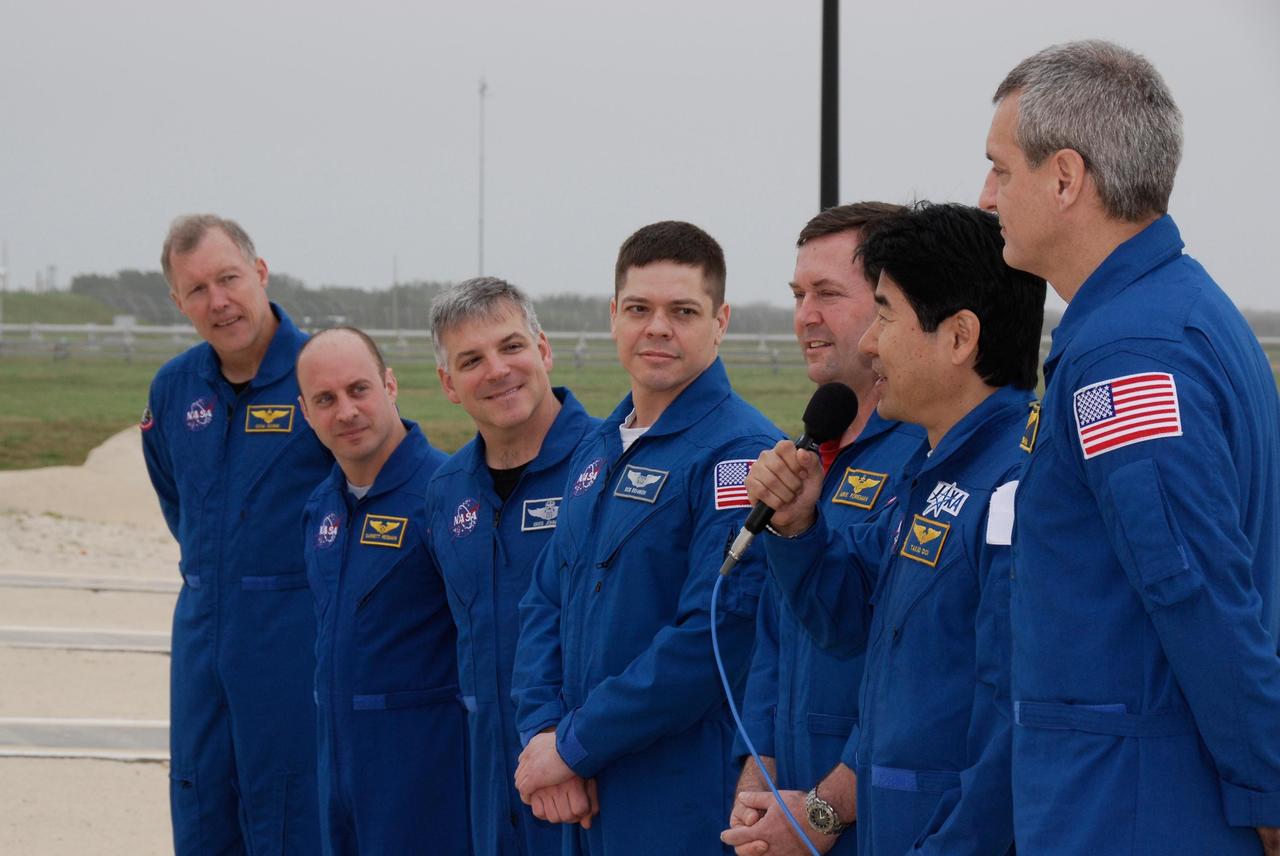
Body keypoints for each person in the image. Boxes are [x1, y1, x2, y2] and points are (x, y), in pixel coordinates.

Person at [979, 40, 1280, 855]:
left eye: (1001, 170)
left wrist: (1269, 784)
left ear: (1066, 178)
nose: (986, 196)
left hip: (1138, 805)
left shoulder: (1129, 353)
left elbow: (1196, 590)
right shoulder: (1172, 311)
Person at [745, 203, 1045, 855]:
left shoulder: (1016, 487)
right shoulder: (937, 470)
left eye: (886, 315)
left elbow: (1013, 736)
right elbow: (851, 619)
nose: (872, 342)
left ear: (960, 338)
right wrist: (797, 532)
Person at [511, 220, 784, 854]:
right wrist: (544, 735)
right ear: (613, 316)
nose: (657, 326)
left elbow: (710, 638)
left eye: (682, 310)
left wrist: (574, 747)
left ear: (720, 321)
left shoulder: (738, 455)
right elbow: (544, 599)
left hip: (677, 796)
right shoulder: (598, 446)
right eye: (639, 308)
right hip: (582, 793)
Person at [722, 203, 925, 856]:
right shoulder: (814, 447)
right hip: (788, 813)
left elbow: (928, 677)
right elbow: (775, 636)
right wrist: (758, 779)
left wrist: (820, 810)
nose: (804, 316)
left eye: (828, 294)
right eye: (798, 295)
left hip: (875, 815)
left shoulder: (926, 453)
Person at [141, 214, 329, 854]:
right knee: (199, 799)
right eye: (197, 290)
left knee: (289, 807)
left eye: (228, 279)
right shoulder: (173, 389)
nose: (218, 301)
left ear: (260, 273)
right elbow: (180, 505)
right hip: (202, 633)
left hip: (293, 636)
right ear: (178, 302)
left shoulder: (319, 374)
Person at [424, 277, 599, 855]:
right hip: (492, 780)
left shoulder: (609, 467)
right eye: (471, 360)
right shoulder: (446, 491)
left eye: (512, 347)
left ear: (544, 350)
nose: (497, 370)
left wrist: (577, 749)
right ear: (449, 384)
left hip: (591, 780)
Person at [296, 327, 465, 855]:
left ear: (390, 385)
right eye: (325, 399)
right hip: (340, 771)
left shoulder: (447, 496)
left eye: (358, 389)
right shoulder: (321, 508)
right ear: (306, 413)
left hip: (426, 780)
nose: (345, 411)